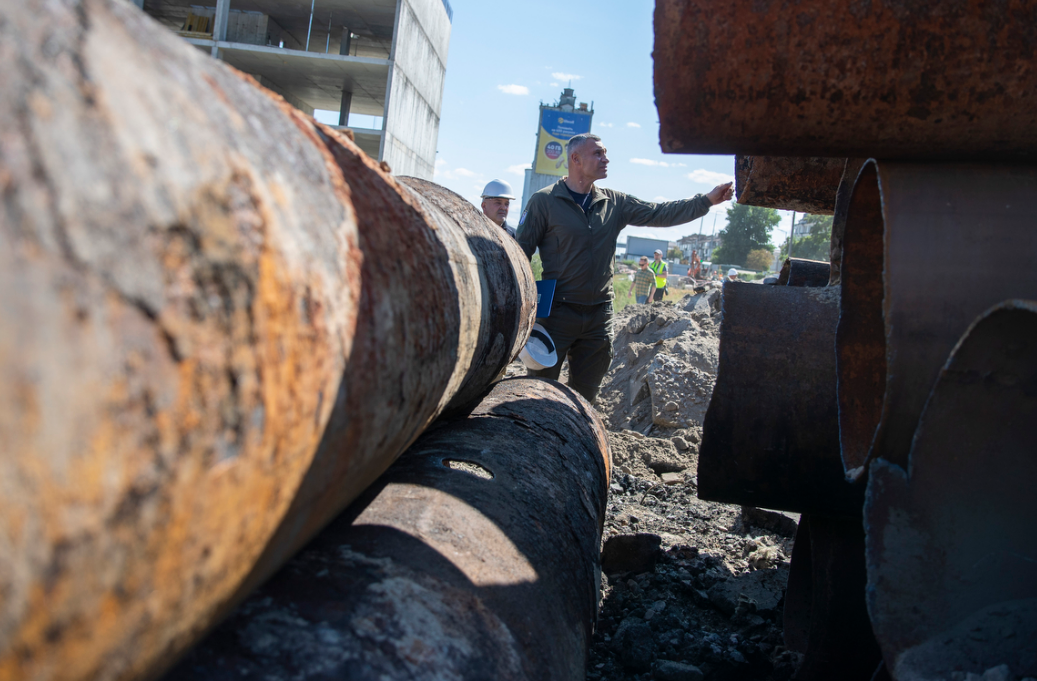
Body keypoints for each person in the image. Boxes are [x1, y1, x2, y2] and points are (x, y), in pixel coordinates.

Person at [516, 132, 733, 402]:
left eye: (605, 152)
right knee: (538, 393)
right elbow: (519, 252)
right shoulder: (544, 201)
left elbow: (659, 212)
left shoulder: (614, 202)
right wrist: (521, 309)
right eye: (598, 153)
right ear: (575, 159)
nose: (606, 159)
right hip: (556, 316)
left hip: (598, 317)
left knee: (584, 399)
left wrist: (707, 200)